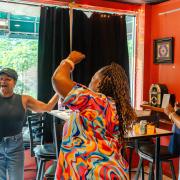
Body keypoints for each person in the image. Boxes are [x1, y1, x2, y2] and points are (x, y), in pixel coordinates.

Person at [52, 51, 136, 179]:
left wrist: (70, 60)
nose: (89, 84)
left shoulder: (96, 102)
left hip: (92, 173)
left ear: (100, 82)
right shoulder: (115, 107)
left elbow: (58, 79)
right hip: (109, 171)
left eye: (93, 79)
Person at [0, 68, 59, 180]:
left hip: (15, 147)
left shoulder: (24, 99)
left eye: (8, 79)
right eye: (1, 79)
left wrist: (59, 92)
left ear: (15, 82)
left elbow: (47, 107)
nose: (3, 82)